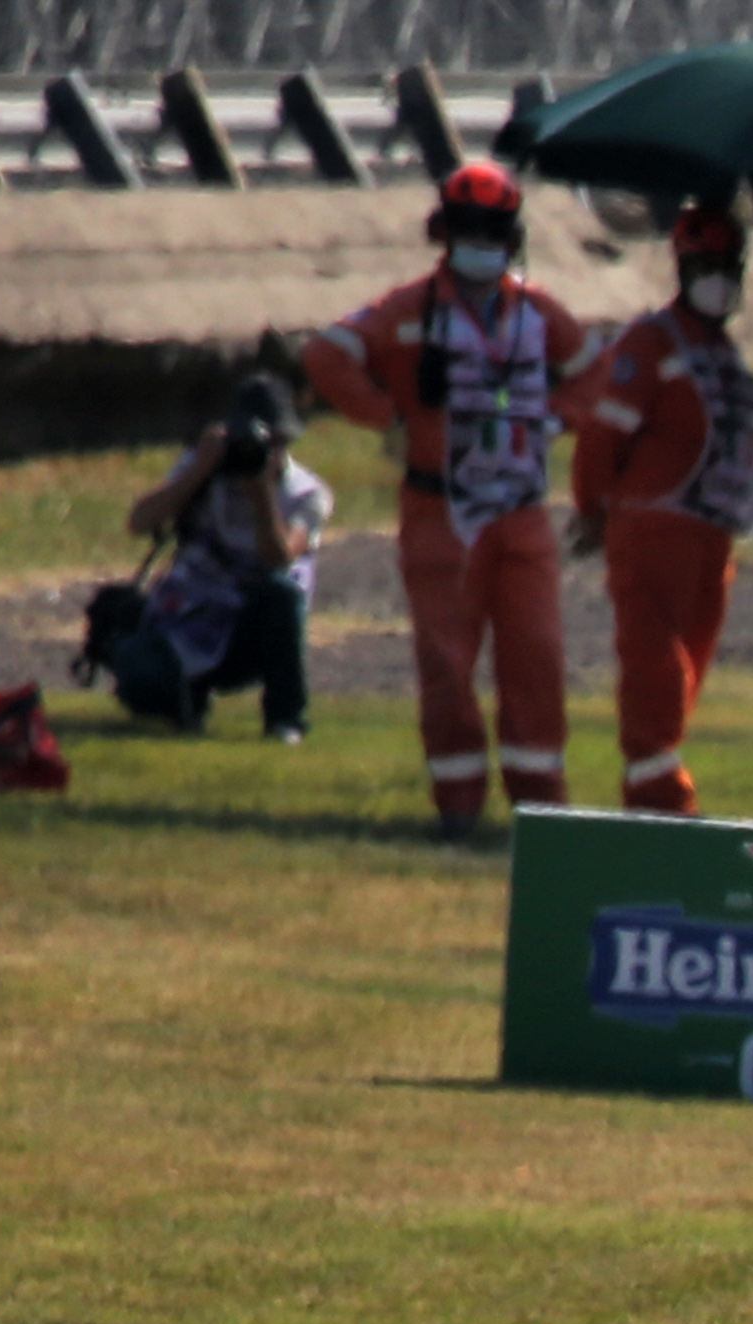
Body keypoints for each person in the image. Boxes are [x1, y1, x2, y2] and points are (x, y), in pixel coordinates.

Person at [303, 161, 585, 836]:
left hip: (521, 513)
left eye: (491, 230)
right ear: (444, 233)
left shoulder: (540, 314)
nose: (479, 242)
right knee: (447, 664)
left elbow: (593, 373)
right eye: (467, 229)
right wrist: (386, 417)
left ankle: (540, 808)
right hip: (439, 512)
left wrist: (555, 419)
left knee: (536, 656)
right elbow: (325, 354)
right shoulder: (407, 312)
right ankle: (458, 809)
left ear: (512, 236)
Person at [568, 202, 753, 818]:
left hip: (713, 532)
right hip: (654, 523)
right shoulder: (651, 341)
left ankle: (661, 777)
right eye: (706, 264)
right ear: (681, 267)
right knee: (655, 664)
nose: (718, 277)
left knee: (687, 668)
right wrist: (593, 506)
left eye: (727, 264)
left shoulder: (723, 349)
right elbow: (605, 433)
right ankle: (658, 797)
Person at [107, 372, 329, 739]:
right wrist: (198, 470)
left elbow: (280, 559)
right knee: (136, 673)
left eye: (271, 443)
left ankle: (286, 721)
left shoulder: (307, 495)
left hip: (253, 631)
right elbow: (139, 522)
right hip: (188, 619)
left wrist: (262, 496)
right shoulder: (205, 470)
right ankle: (185, 700)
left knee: (282, 594)